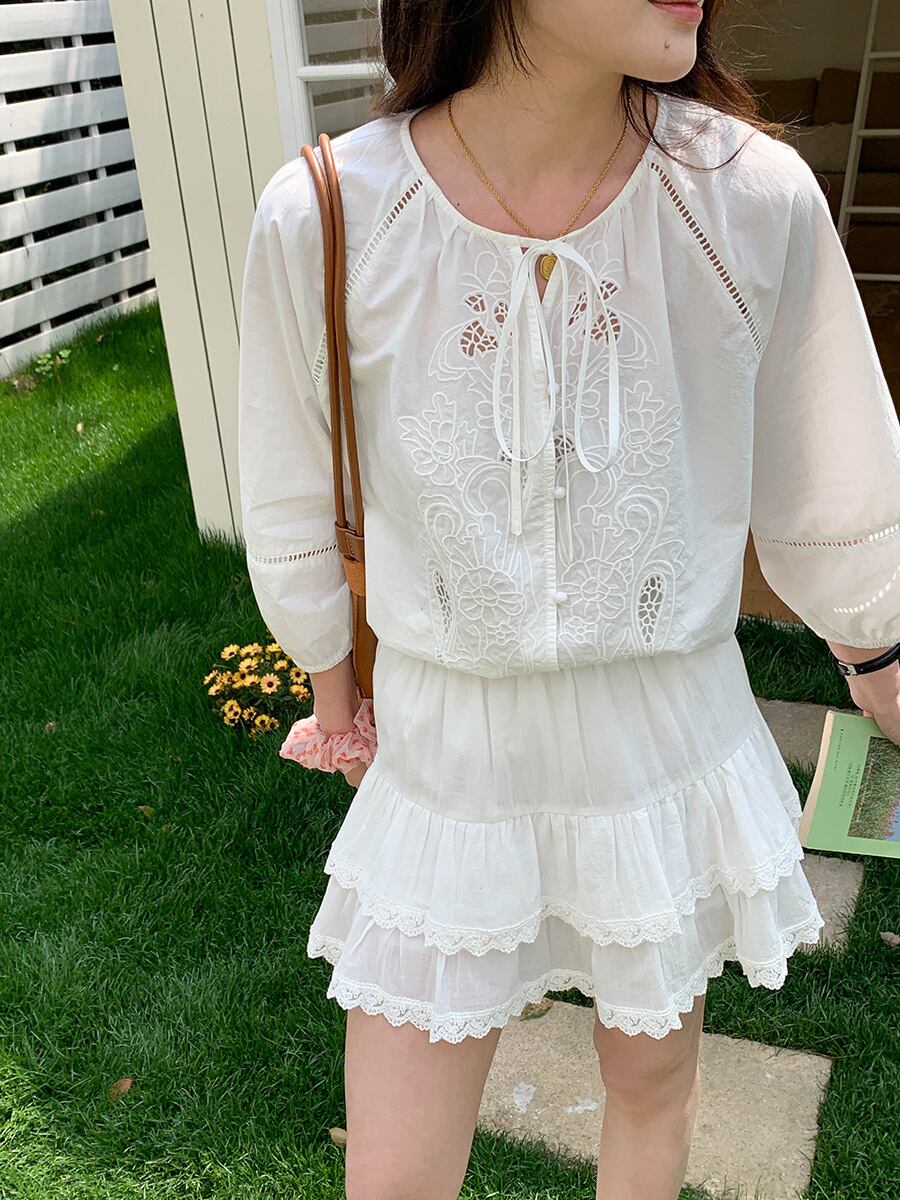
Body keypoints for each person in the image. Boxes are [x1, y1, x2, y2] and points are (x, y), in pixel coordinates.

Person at [236, 1, 900, 1196]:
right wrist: (332, 680)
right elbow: (290, 485)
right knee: (394, 1166)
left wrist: (879, 644)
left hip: (667, 740)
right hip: (449, 750)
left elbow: (831, 471)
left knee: (653, 1085)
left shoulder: (746, 200)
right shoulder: (335, 209)